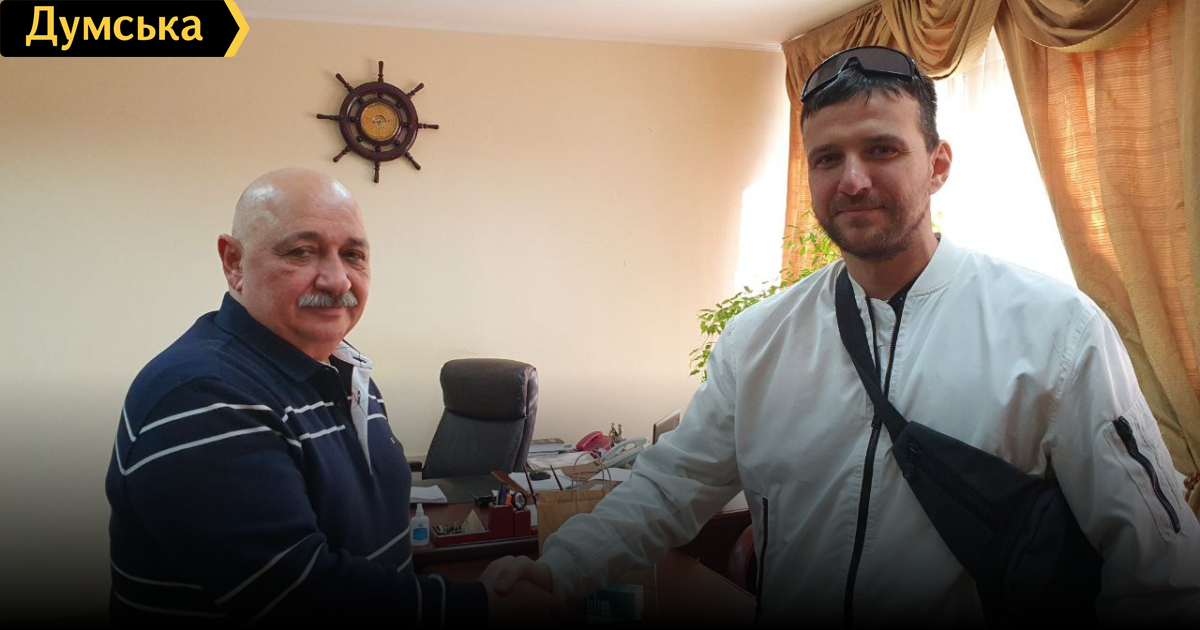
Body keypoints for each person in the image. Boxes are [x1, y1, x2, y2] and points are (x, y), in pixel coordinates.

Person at [490, 46, 1200, 624]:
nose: (853, 180)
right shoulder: (758, 341)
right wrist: (558, 571)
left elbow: (1159, 564)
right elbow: (669, 488)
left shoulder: (1056, 331)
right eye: (827, 158)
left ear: (938, 165)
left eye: (882, 149)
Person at [105, 167, 558, 625]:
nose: (338, 281)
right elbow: (301, 595)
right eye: (302, 252)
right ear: (235, 263)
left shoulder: (347, 371)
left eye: (353, 255)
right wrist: (481, 606)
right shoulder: (202, 395)